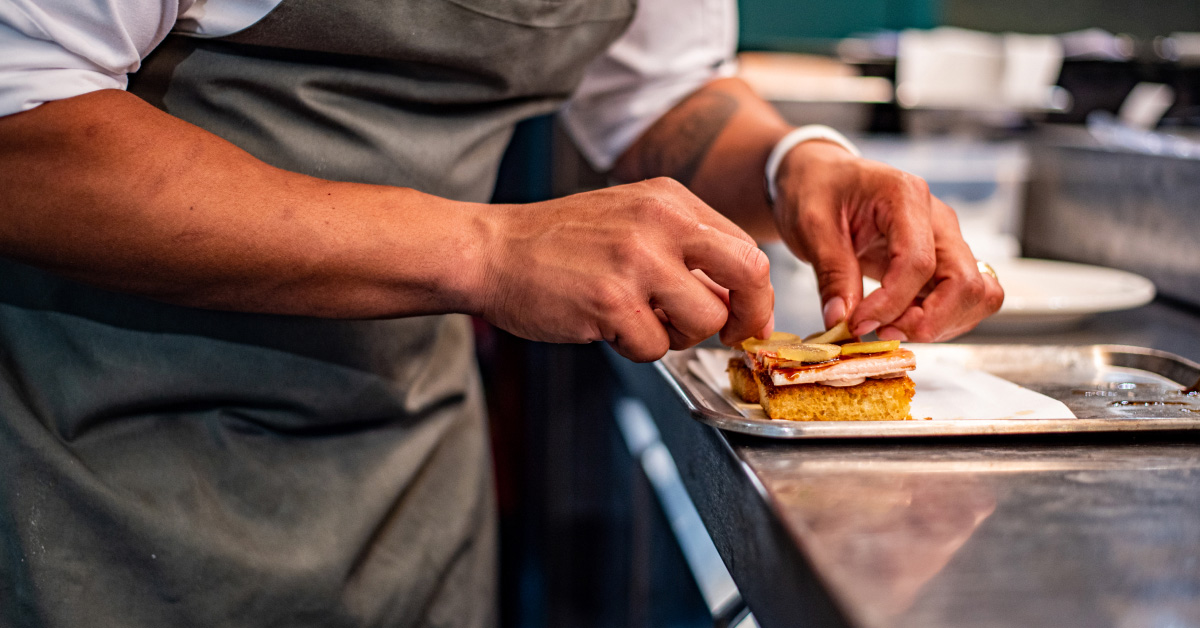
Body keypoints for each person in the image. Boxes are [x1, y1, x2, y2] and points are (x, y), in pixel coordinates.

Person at [0, 0, 1003, 625]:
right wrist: (487, 249)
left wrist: (800, 166)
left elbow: (659, 99)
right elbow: (25, 126)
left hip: (406, 482)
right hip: (91, 467)